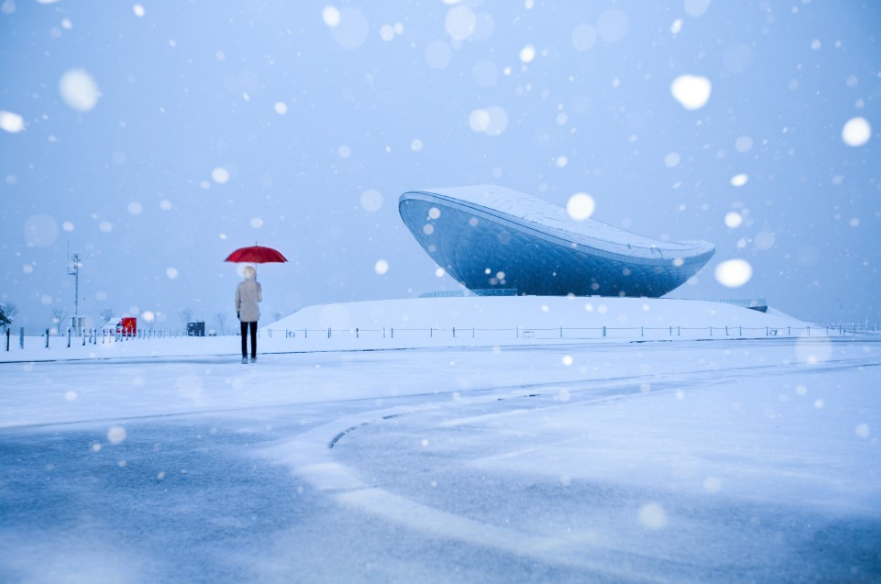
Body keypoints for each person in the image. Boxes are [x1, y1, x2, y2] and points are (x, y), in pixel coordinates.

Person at [235, 265, 262, 363]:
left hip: (244, 313)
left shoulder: (240, 286)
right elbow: (260, 299)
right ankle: (253, 356)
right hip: (254, 313)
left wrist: (238, 310)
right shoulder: (257, 285)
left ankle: (244, 356)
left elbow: (237, 300)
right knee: (253, 337)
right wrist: (257, 288)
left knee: (244, 337)